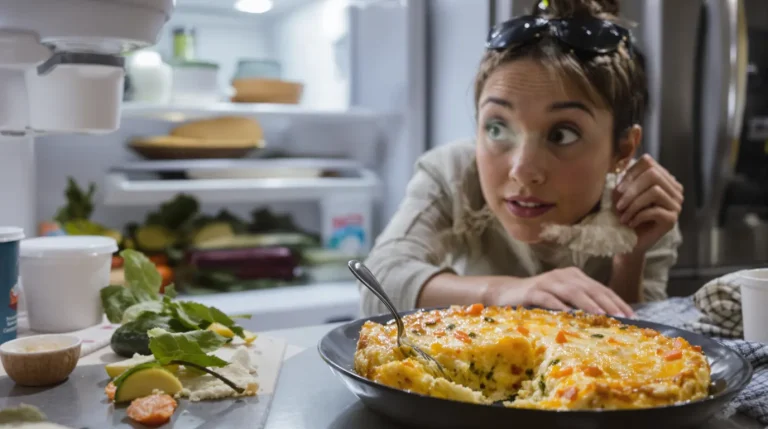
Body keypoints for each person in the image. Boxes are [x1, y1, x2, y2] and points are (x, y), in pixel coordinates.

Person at [358, 0, 684, 318]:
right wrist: (502, 292)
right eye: (498, 128)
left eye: (562, 135)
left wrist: (630, 256)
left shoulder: (641, 207)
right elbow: (379, 281)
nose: (523, 171)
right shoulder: (455, 174)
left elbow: (638, 354)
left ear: (622, 151)